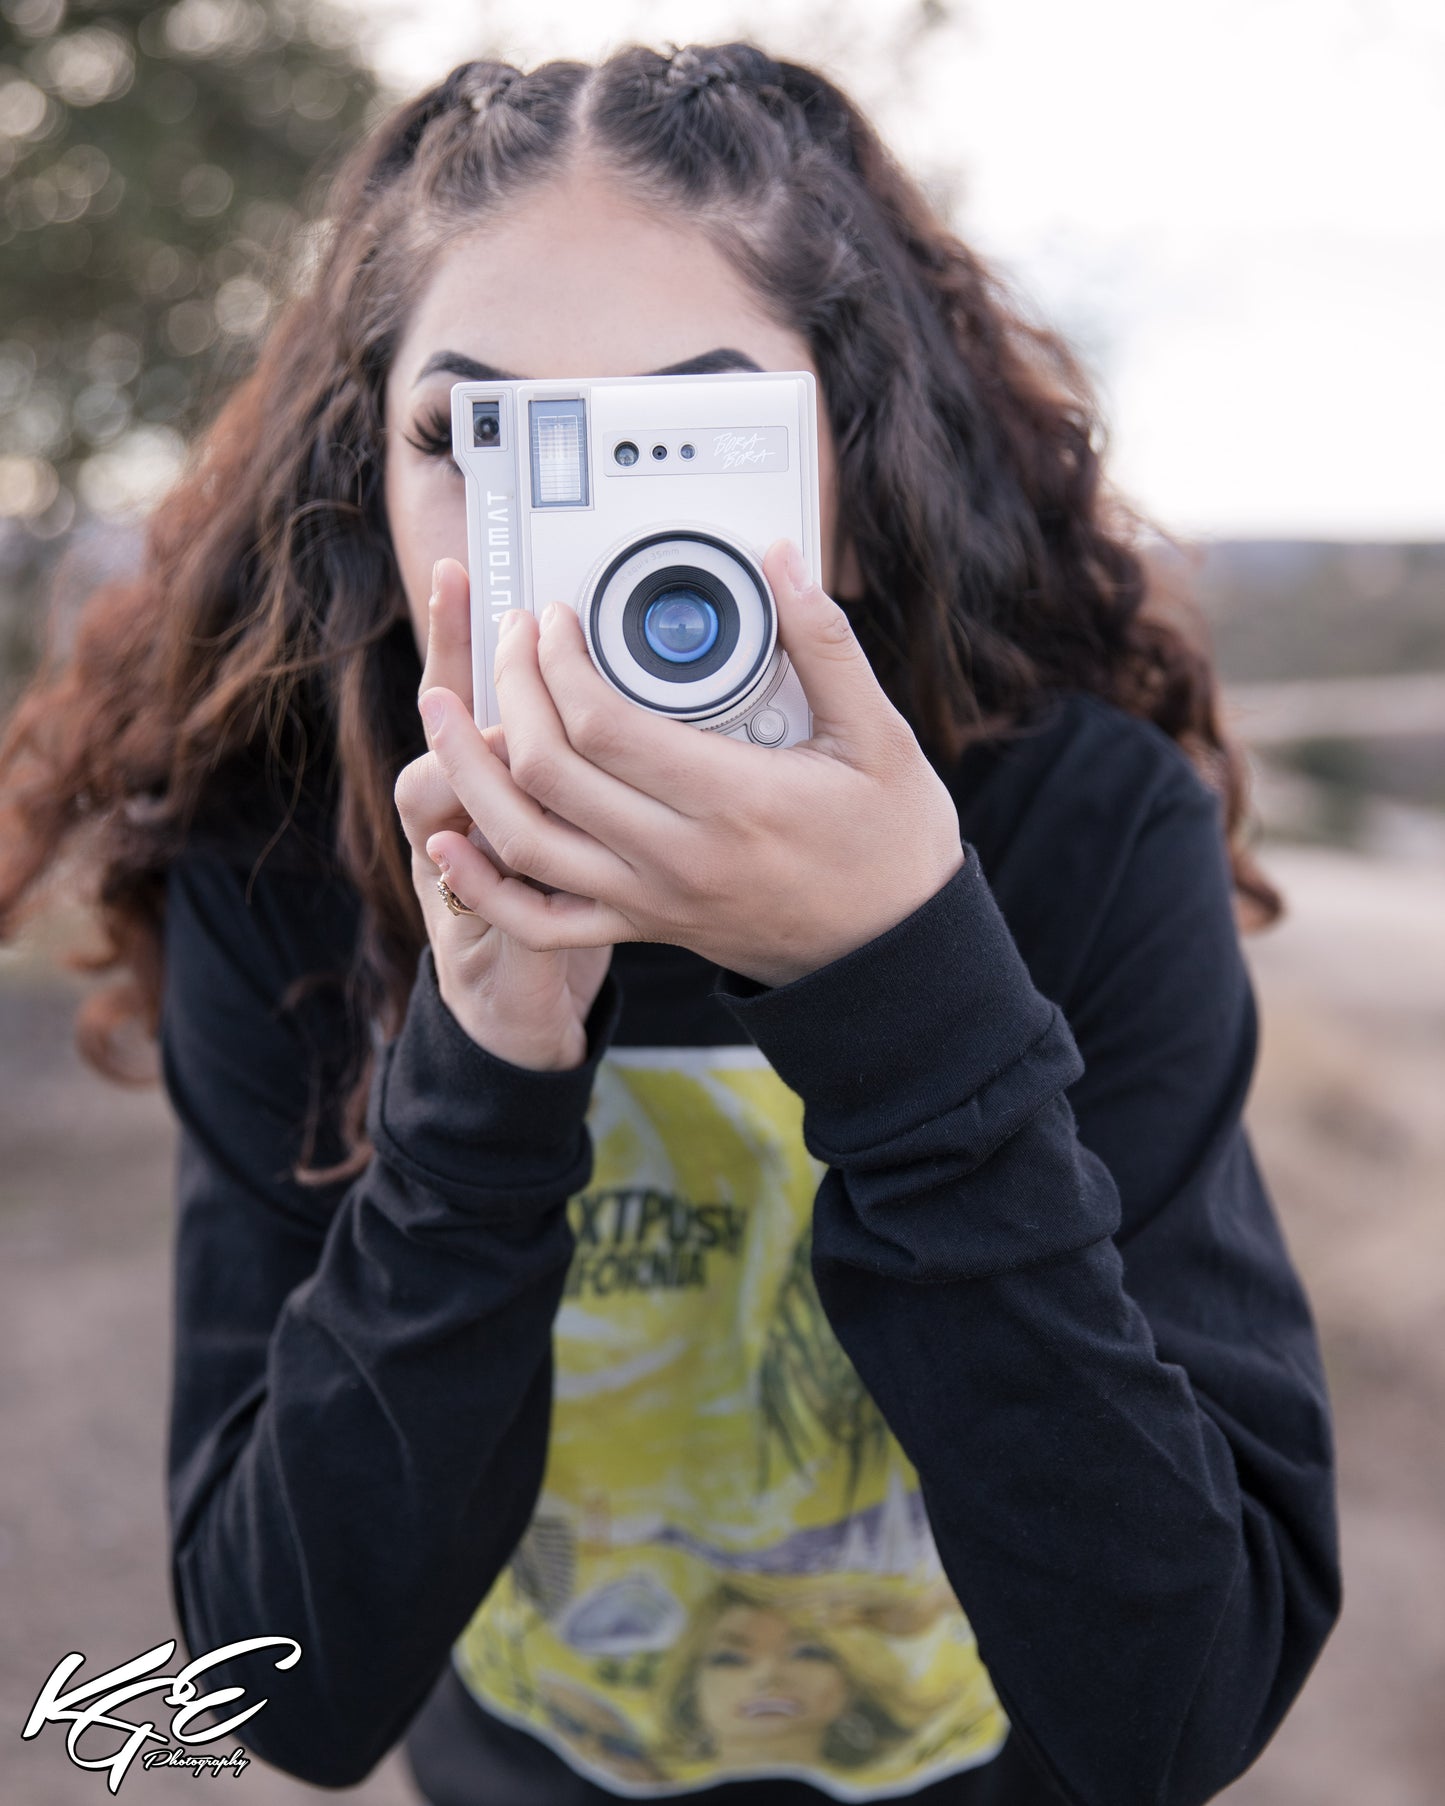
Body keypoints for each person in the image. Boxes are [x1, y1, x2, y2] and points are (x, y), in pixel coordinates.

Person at [0, 39, 1340, 1806]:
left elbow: (1178, 1704)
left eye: (684, 446)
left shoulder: (1073, 835)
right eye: (480, 438)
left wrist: (903, 979)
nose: (602, 552)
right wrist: (480, 1073)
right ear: (373, 493)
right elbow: (289, 1692)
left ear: (852, 490)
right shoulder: (295, 860)